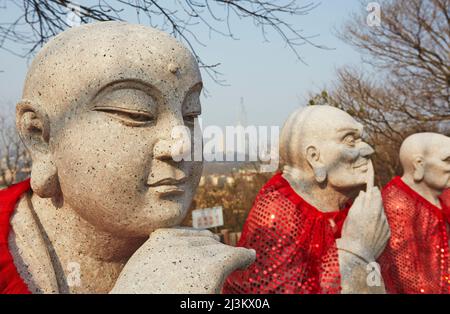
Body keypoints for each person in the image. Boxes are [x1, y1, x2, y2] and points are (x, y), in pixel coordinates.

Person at [0, 21, 254, 294]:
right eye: (138, 113)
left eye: (190, 114)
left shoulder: (214, 270)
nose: (181, 145)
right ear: (40, 137)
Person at [223, 105, 390, 294]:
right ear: (314, 157)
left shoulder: (356, 209)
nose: (367, 149)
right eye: (350, 141)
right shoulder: (280, 212)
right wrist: (357, 250)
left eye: (362, 140)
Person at [379, 133, 450, 294]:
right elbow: (407, 273)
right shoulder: (397, 202)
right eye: (448, 161)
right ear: (419, 164)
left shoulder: (442, 196)